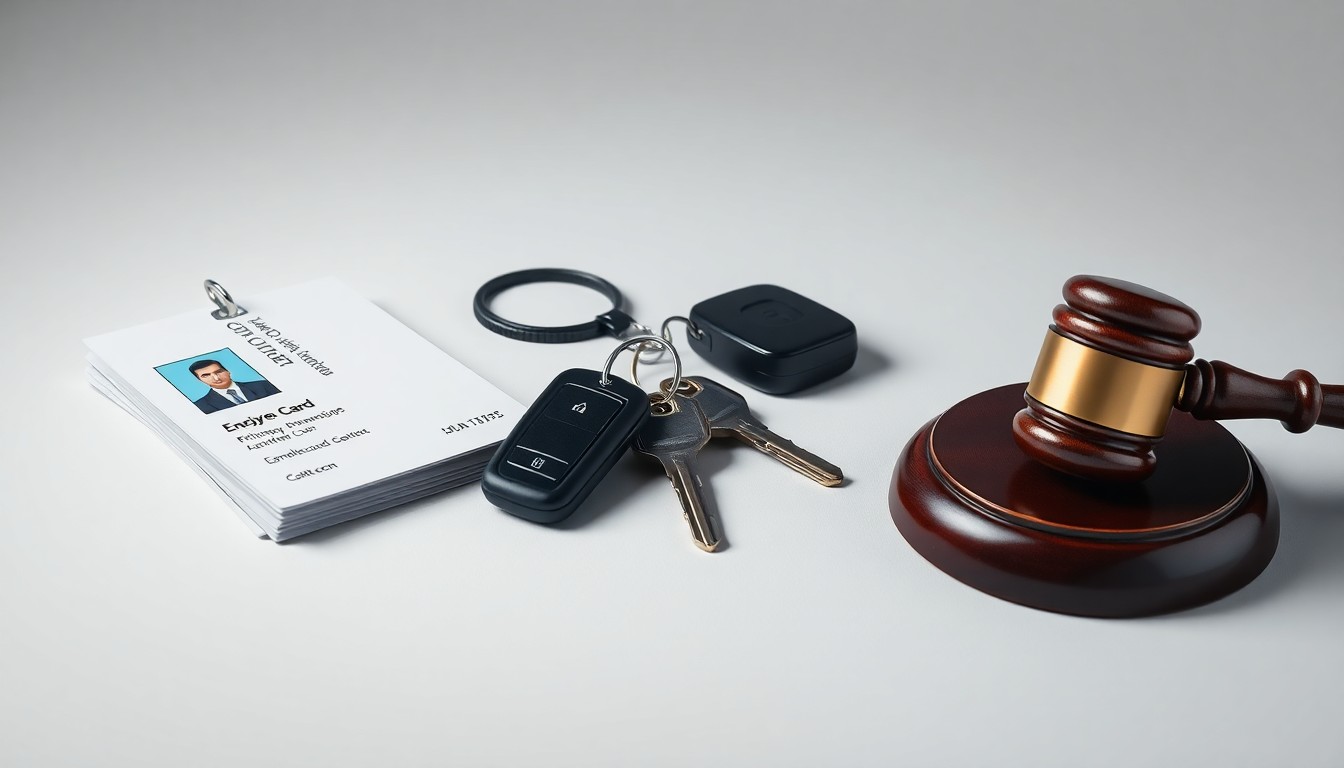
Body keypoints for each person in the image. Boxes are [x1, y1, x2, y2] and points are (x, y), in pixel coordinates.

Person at [188, 359, 281, 414]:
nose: (216, 378)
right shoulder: (201, 405)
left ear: (227, 371)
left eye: (219, 372)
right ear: (199, 380)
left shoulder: (263, 385)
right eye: (206, 375)